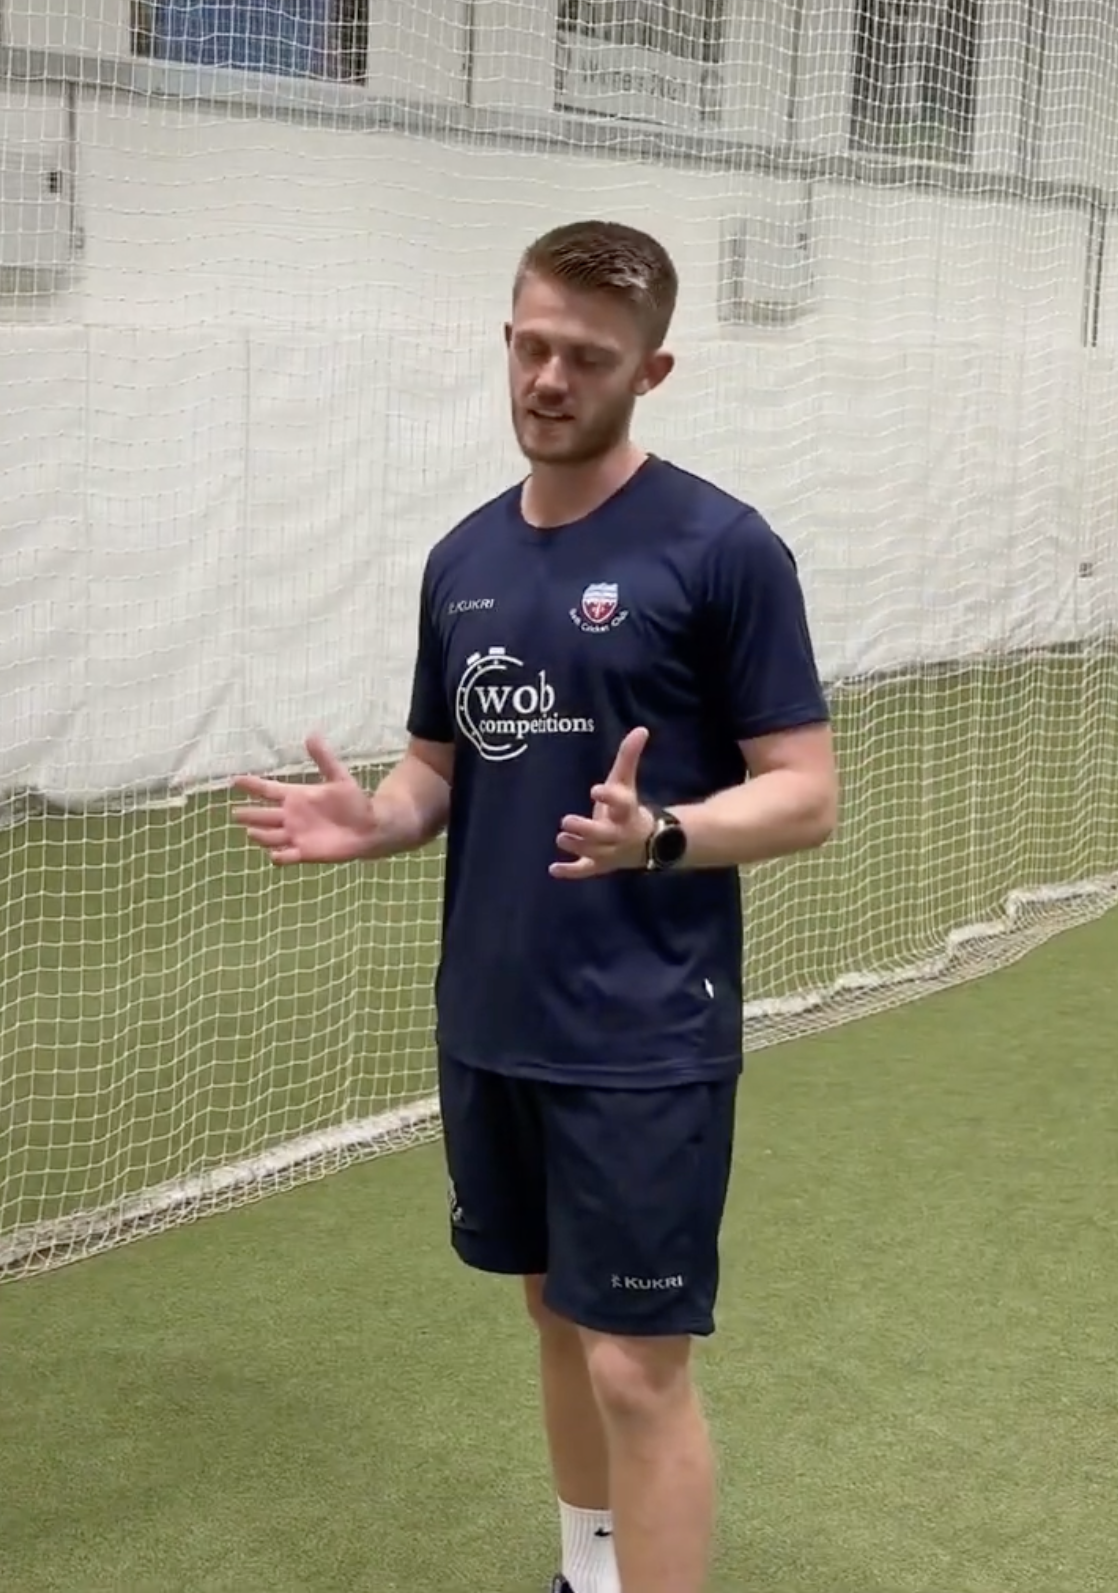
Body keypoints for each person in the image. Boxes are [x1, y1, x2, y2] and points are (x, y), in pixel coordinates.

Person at [231, 221, 838, 1593]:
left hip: (639, 1031)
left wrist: (666, 833)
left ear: (652, 370)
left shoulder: (721, 549)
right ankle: (585, 1570)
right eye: (532, 344)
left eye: (587, 356)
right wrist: (380, 816)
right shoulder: (461, 560)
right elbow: (443, 764)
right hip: (493, 1015)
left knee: (636, 1363)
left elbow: (803, 793)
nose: (550, 377)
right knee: (552, 1313)